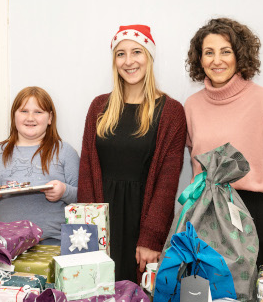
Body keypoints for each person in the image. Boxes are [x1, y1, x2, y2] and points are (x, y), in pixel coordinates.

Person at [185, 18, 263, 266]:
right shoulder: (191, 106)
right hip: (207, 211)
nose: (217, 60)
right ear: (199, 59)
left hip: (257, 211)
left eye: (226, 51)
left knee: (261, 288)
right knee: (210, 289)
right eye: (209, 52)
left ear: (240, 55)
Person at [78, 25, 187, 282]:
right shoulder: (99, 107)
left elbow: (167, 182)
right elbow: (86, 171)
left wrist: (151, 237)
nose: (129, 61)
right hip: (101, 218)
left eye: (136, 52)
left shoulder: (171, 112)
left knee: (136, 292)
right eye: (121, 54)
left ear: (149, 57)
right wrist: (86, 230)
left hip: (143, 220)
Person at [0, 86, 79, 245]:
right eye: (23, 111)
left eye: (38, 112)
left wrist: (64, 191)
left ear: (50, 118)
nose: (30, 117)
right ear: (14, 116)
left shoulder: (64, 151)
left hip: (52, 243)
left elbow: (83, 197)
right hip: (6, 245)